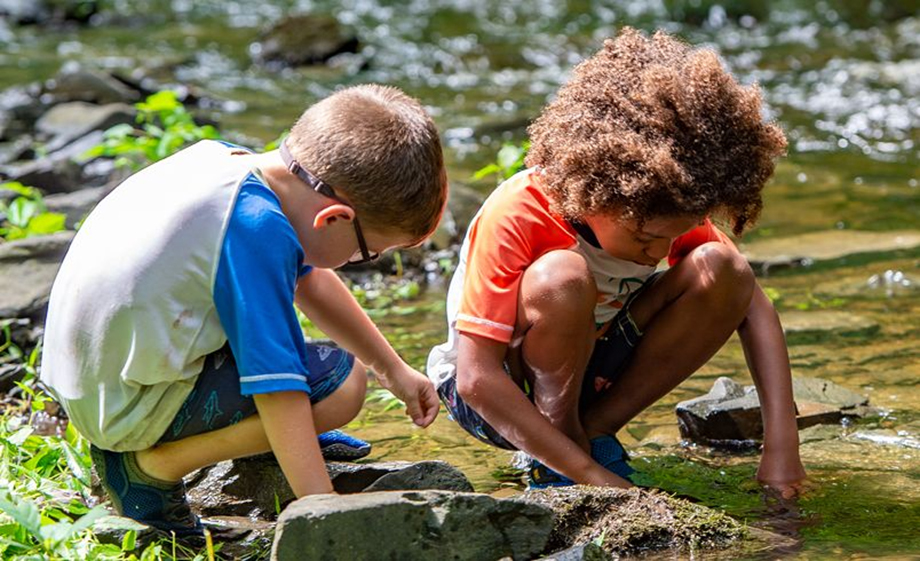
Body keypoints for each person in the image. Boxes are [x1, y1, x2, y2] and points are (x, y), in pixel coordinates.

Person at [41, 84, 447, 535]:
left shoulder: (229, 164)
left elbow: (308, 278)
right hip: (124, 409)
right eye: (367, 254)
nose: (360, 262)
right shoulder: (256, 229)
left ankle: (250, 442)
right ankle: (149, 468)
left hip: (92, 379)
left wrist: (392, 369)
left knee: (340, 374)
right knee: (343, 386)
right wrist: (324, 512)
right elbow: (278, 385)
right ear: (334, 218)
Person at [427, 28, 807, 497]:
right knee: (562, 277)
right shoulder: (520, 211)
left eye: (669, 239)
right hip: (497, 394)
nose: (658, 254)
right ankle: (564, 450)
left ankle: (596, 432)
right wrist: (597, 482)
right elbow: (475, 380)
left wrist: (782, 449)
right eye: (646, 238)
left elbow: (754, 307)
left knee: (724, 269)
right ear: (599, 196)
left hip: (592, 371)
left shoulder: (665, 203)